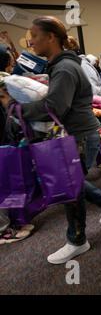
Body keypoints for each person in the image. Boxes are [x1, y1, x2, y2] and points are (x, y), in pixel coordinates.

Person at [0, 16, 101, 263]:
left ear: (51, 37)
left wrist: (17, 108)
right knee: (72, 184)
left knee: (70, 189)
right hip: (76, 134)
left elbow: (54, 105)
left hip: (80, 136)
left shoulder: (65, 68)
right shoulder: (57, 65)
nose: (31, 42)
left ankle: (77, 240)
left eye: (34, 36)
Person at [0, 44, 35, 245]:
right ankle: (4, 230)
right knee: (4, 185)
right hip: (3, 139)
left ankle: (13, 223)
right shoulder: (5, 82)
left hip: (7, 140)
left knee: (9, 182)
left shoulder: (6, 81)